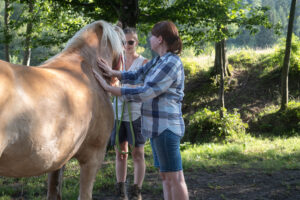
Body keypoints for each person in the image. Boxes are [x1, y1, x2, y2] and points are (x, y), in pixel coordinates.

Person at [93, 21, 189, 200]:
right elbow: (136, 74)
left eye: (153, 35)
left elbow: (146, 91)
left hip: (166, 128)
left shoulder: (171, 62)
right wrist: (113, 73)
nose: (150, 38)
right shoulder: (159, 61)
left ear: (160, 39)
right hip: (156, 128)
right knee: (165, 177)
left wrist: (111, 89)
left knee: (174, 178)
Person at [111, 27, 148, 200]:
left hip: (136, 114)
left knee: (137, 153)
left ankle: (136, 190)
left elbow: (146, 88)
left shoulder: (144, 63)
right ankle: (121, 190)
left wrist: (124, 90)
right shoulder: (116, 62)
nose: (127, 45)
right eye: (124, 42)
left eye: (131, 42)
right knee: (120, 152)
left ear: (137, 42)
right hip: (118, 113)